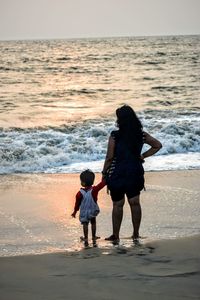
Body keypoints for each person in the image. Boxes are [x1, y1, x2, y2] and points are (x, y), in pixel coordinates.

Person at [102, 105, 162, 244]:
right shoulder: (141, 134)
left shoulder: (115, 135)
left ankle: (115, 235)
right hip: (134, 171)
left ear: (120, 120)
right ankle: (135, 234)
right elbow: (157, 145)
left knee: (118, 204)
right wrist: (143, 156)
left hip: (118, 172)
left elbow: (109, 157)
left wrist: (104, 173)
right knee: (134, 203)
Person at [71, 169, 106, 246]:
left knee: (85, 224)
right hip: (92, 210)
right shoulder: (94, 190)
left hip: (84, 211)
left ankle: (86, 237)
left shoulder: (79, 193)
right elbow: (102, 184)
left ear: (83, 182)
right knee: (93, 222)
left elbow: (77, 204)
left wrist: (75, 212)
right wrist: (105, 178)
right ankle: (93, 236)